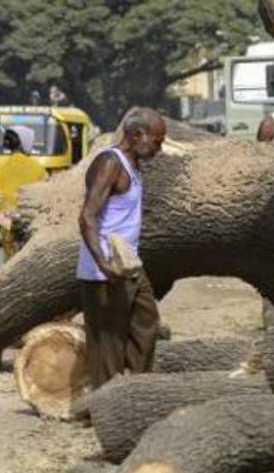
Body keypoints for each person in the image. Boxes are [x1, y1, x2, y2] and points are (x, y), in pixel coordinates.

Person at [76, 107, 165, 389]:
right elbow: (87, 217)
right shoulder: (110, 164)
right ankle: (107, 406)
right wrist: (102, 264)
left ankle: (133, 391)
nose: (158, 149)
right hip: (105, 271)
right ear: (137, 134)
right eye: (156, 141)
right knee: (108, 345)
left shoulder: (132, 163)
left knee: (146, 323)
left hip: (129, 264)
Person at [0, 126, 47, 260]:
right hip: (31, 228)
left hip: (8, 229)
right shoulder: (39, 170)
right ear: (26, 142)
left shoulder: (0, 170)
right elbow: (46, 201)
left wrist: (7, 225)